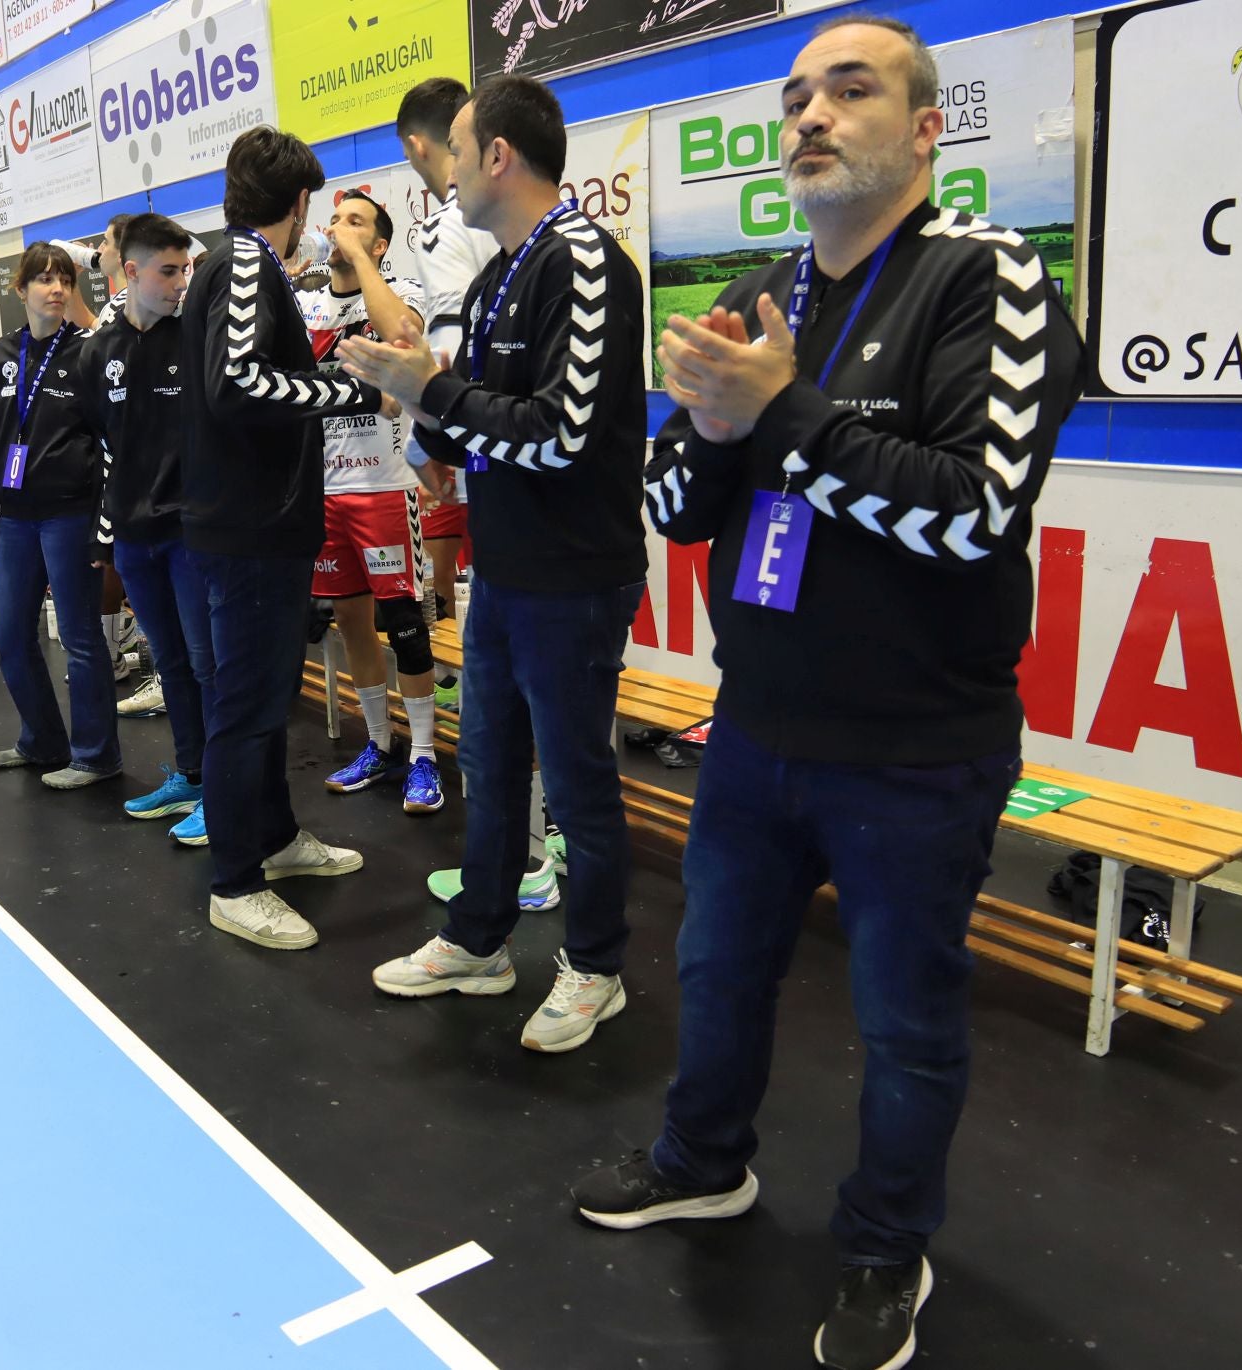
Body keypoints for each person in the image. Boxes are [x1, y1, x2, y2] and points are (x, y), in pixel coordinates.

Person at [565, 19, 1087, 1370]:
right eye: (797, 96)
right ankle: (703, 1158)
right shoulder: (765, 297)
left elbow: (975, 514)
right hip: (756, 729)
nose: (811, 115)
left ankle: (881, 1248)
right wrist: (721, 422)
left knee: (907, 1023)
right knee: (717, 968)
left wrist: (784, 412)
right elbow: (678, 507)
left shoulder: (993, 276)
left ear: (925, 130)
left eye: (850, 91)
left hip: (916, 751)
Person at [340, 76, 647, 1053]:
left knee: (577, 776)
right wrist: (431, 429)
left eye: (459, 154)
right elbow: (485, 421)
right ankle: (480, 940)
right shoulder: (496, 277)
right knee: (493, 758)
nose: (447, 173)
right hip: (504, 566)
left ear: (500, 156)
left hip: (574, 571)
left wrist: (435, 393)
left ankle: (596, 965)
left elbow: (560, 435)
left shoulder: (589, 263)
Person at [180, 124, 390, 952]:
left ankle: (272, 838)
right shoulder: (239, 263)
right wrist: (348, 388)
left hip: (258, 521)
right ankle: (234, 881)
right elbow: (238, 382)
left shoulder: (246, 265)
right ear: (300, 202)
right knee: (247, 704)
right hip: (249, 526)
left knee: (264, 701)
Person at [297, 190, 443, 815]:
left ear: (380, 242)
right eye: (337, 220)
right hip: (322, 489)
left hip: (383, 486)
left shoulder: (398, 284)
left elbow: (402, 337)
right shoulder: (304, 302)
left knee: (404, 626)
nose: (341, 230)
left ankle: (426, 757)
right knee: (351, 622)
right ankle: (380, 745)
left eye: (357, 223)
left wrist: (365, 264)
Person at [76, 213, 211, 841]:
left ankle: (223, 788)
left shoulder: (198, 337)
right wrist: (109, 532)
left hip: (190, 532)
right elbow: (102, 445)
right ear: (130, 272)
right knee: (171, 663)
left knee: (208, 663)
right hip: (133, 538)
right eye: (168, 270)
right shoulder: (97, 351)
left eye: (185, 269)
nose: (181, 281)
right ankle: (191, 773)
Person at [0, 242, 121, 790]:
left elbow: (110, 439)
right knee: (10, 634)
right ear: (21, 290)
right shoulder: (4, 351)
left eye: (64, 279)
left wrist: (102, 525)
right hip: (15, 515)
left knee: (81, 638)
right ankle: (42, 739)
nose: (56, 288)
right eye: (44, 280)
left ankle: (95, 754)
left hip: (69, 514)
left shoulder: (89, 350)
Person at [395, 78, 499, 644]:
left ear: (416, 146)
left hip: (490, 464)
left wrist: (421, 441)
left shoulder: (446, 226)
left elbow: (450, 358)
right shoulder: (534, 228)